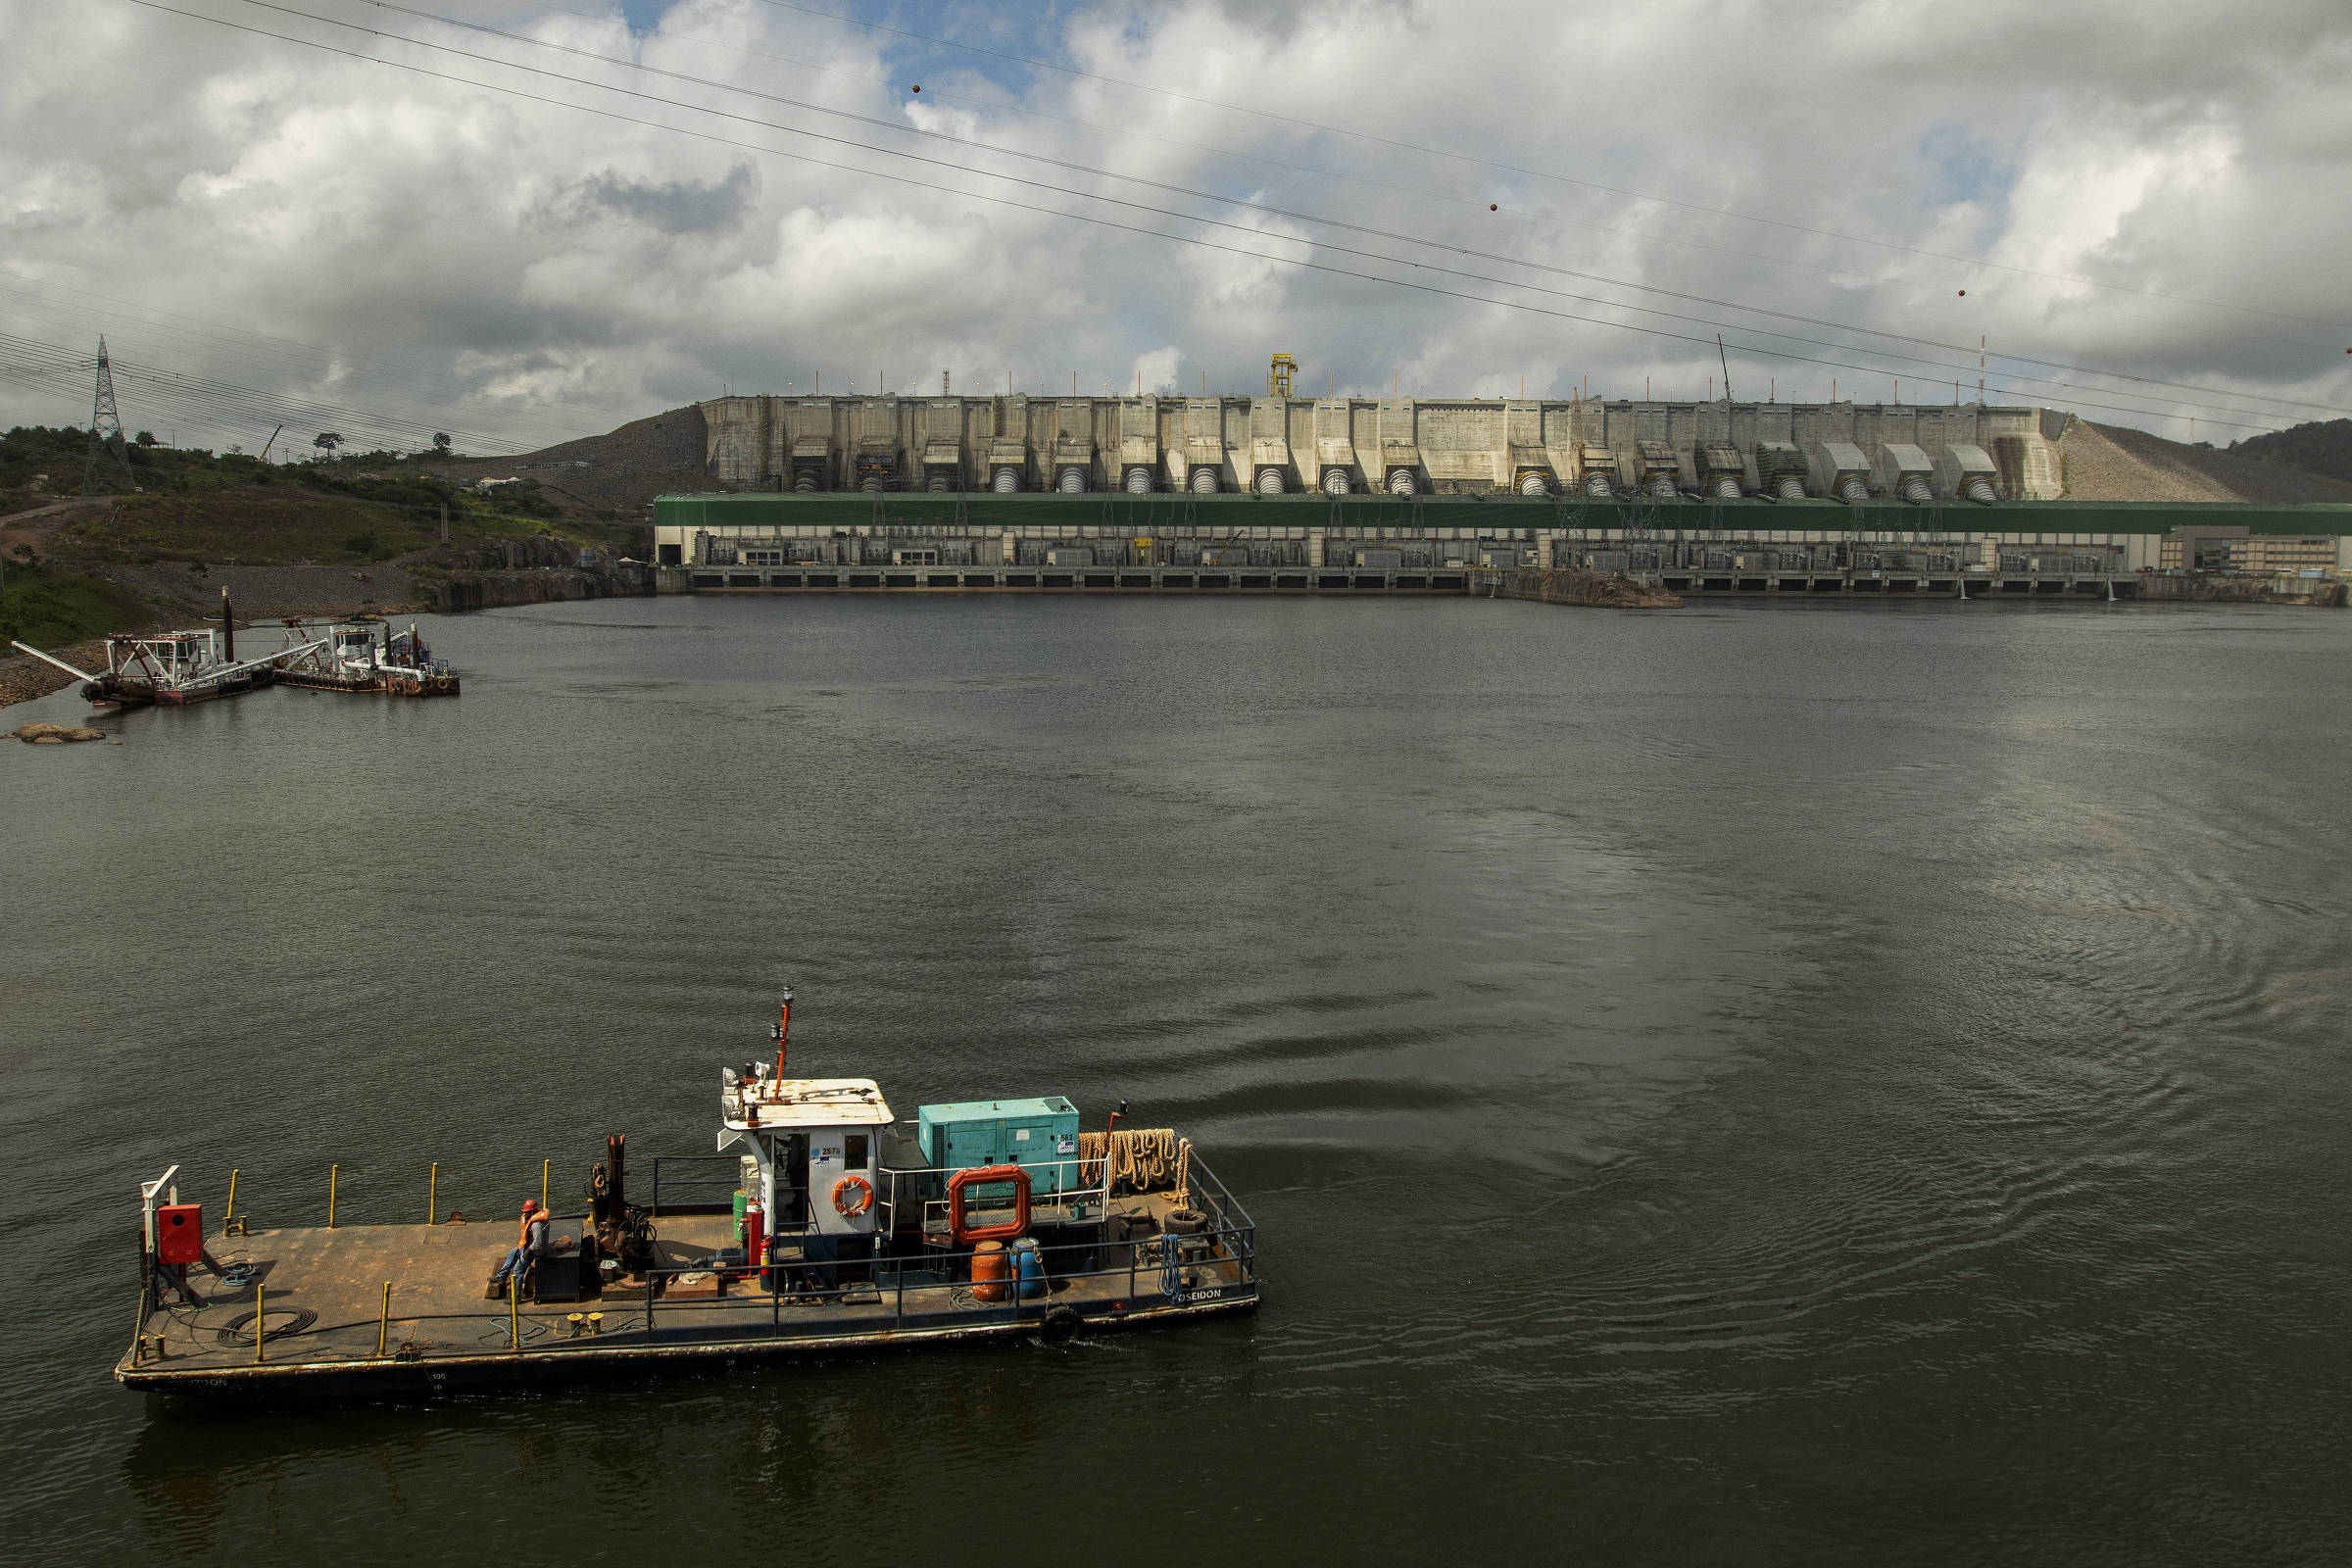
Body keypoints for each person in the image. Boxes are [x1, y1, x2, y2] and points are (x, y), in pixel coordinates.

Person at [489, 1199, 549, 1295]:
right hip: (528, 1246)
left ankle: (516, 1296)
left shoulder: (536, 1225)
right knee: (512, 1253)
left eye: (527, 1212)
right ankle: (501, 1276)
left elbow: (538, 1243)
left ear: (532, 1211)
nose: (525, 1214)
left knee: (518, 1270)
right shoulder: (532, 1219)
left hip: (536, 1250)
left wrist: (528, 1251)